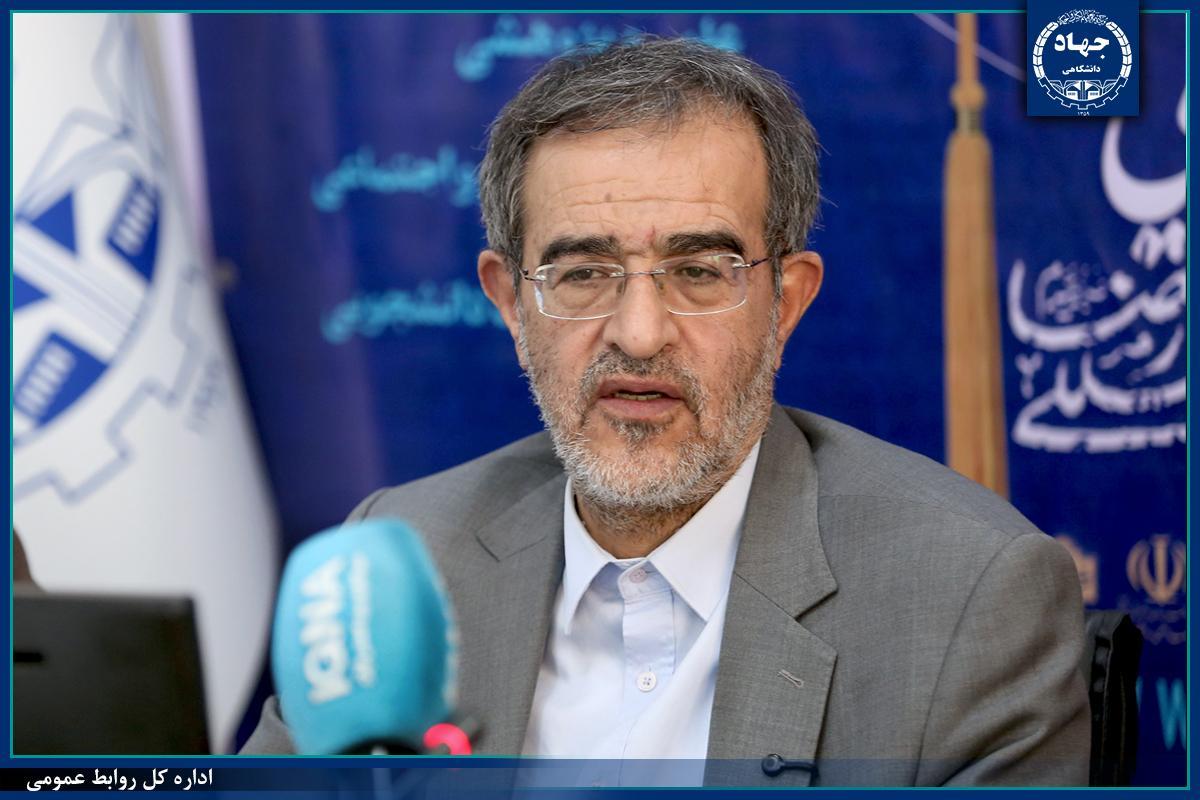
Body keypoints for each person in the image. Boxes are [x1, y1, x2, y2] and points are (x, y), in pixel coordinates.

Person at [244, 37, 1090, 786]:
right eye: (583, 274)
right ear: (510, 304)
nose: (640, 334)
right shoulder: (401, 560)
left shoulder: (969, 600)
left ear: (786, 303)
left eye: (699, 272)